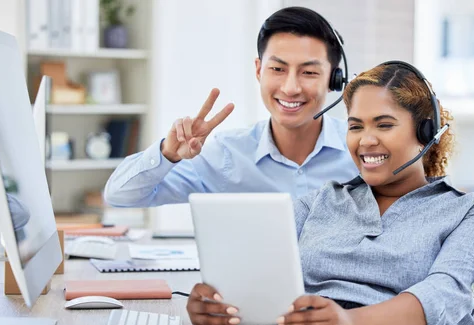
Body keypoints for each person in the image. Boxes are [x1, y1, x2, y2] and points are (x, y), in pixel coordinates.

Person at [184, 61, 474, 325]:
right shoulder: (321, 200)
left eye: (384, 125)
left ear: (425, 133)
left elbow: (444, 297)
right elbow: (256, 270)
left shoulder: (470, 214)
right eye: (355, 127)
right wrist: (220, 304)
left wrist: (349, 324)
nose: (365, 141)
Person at [103, 7, 358, 207]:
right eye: (277, 69)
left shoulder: (360, 152)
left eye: (309, 72)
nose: (291, 88)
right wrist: (167, 153)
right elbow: (120, 196)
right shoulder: (226, 157)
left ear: (334, 80)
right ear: (259, 71)